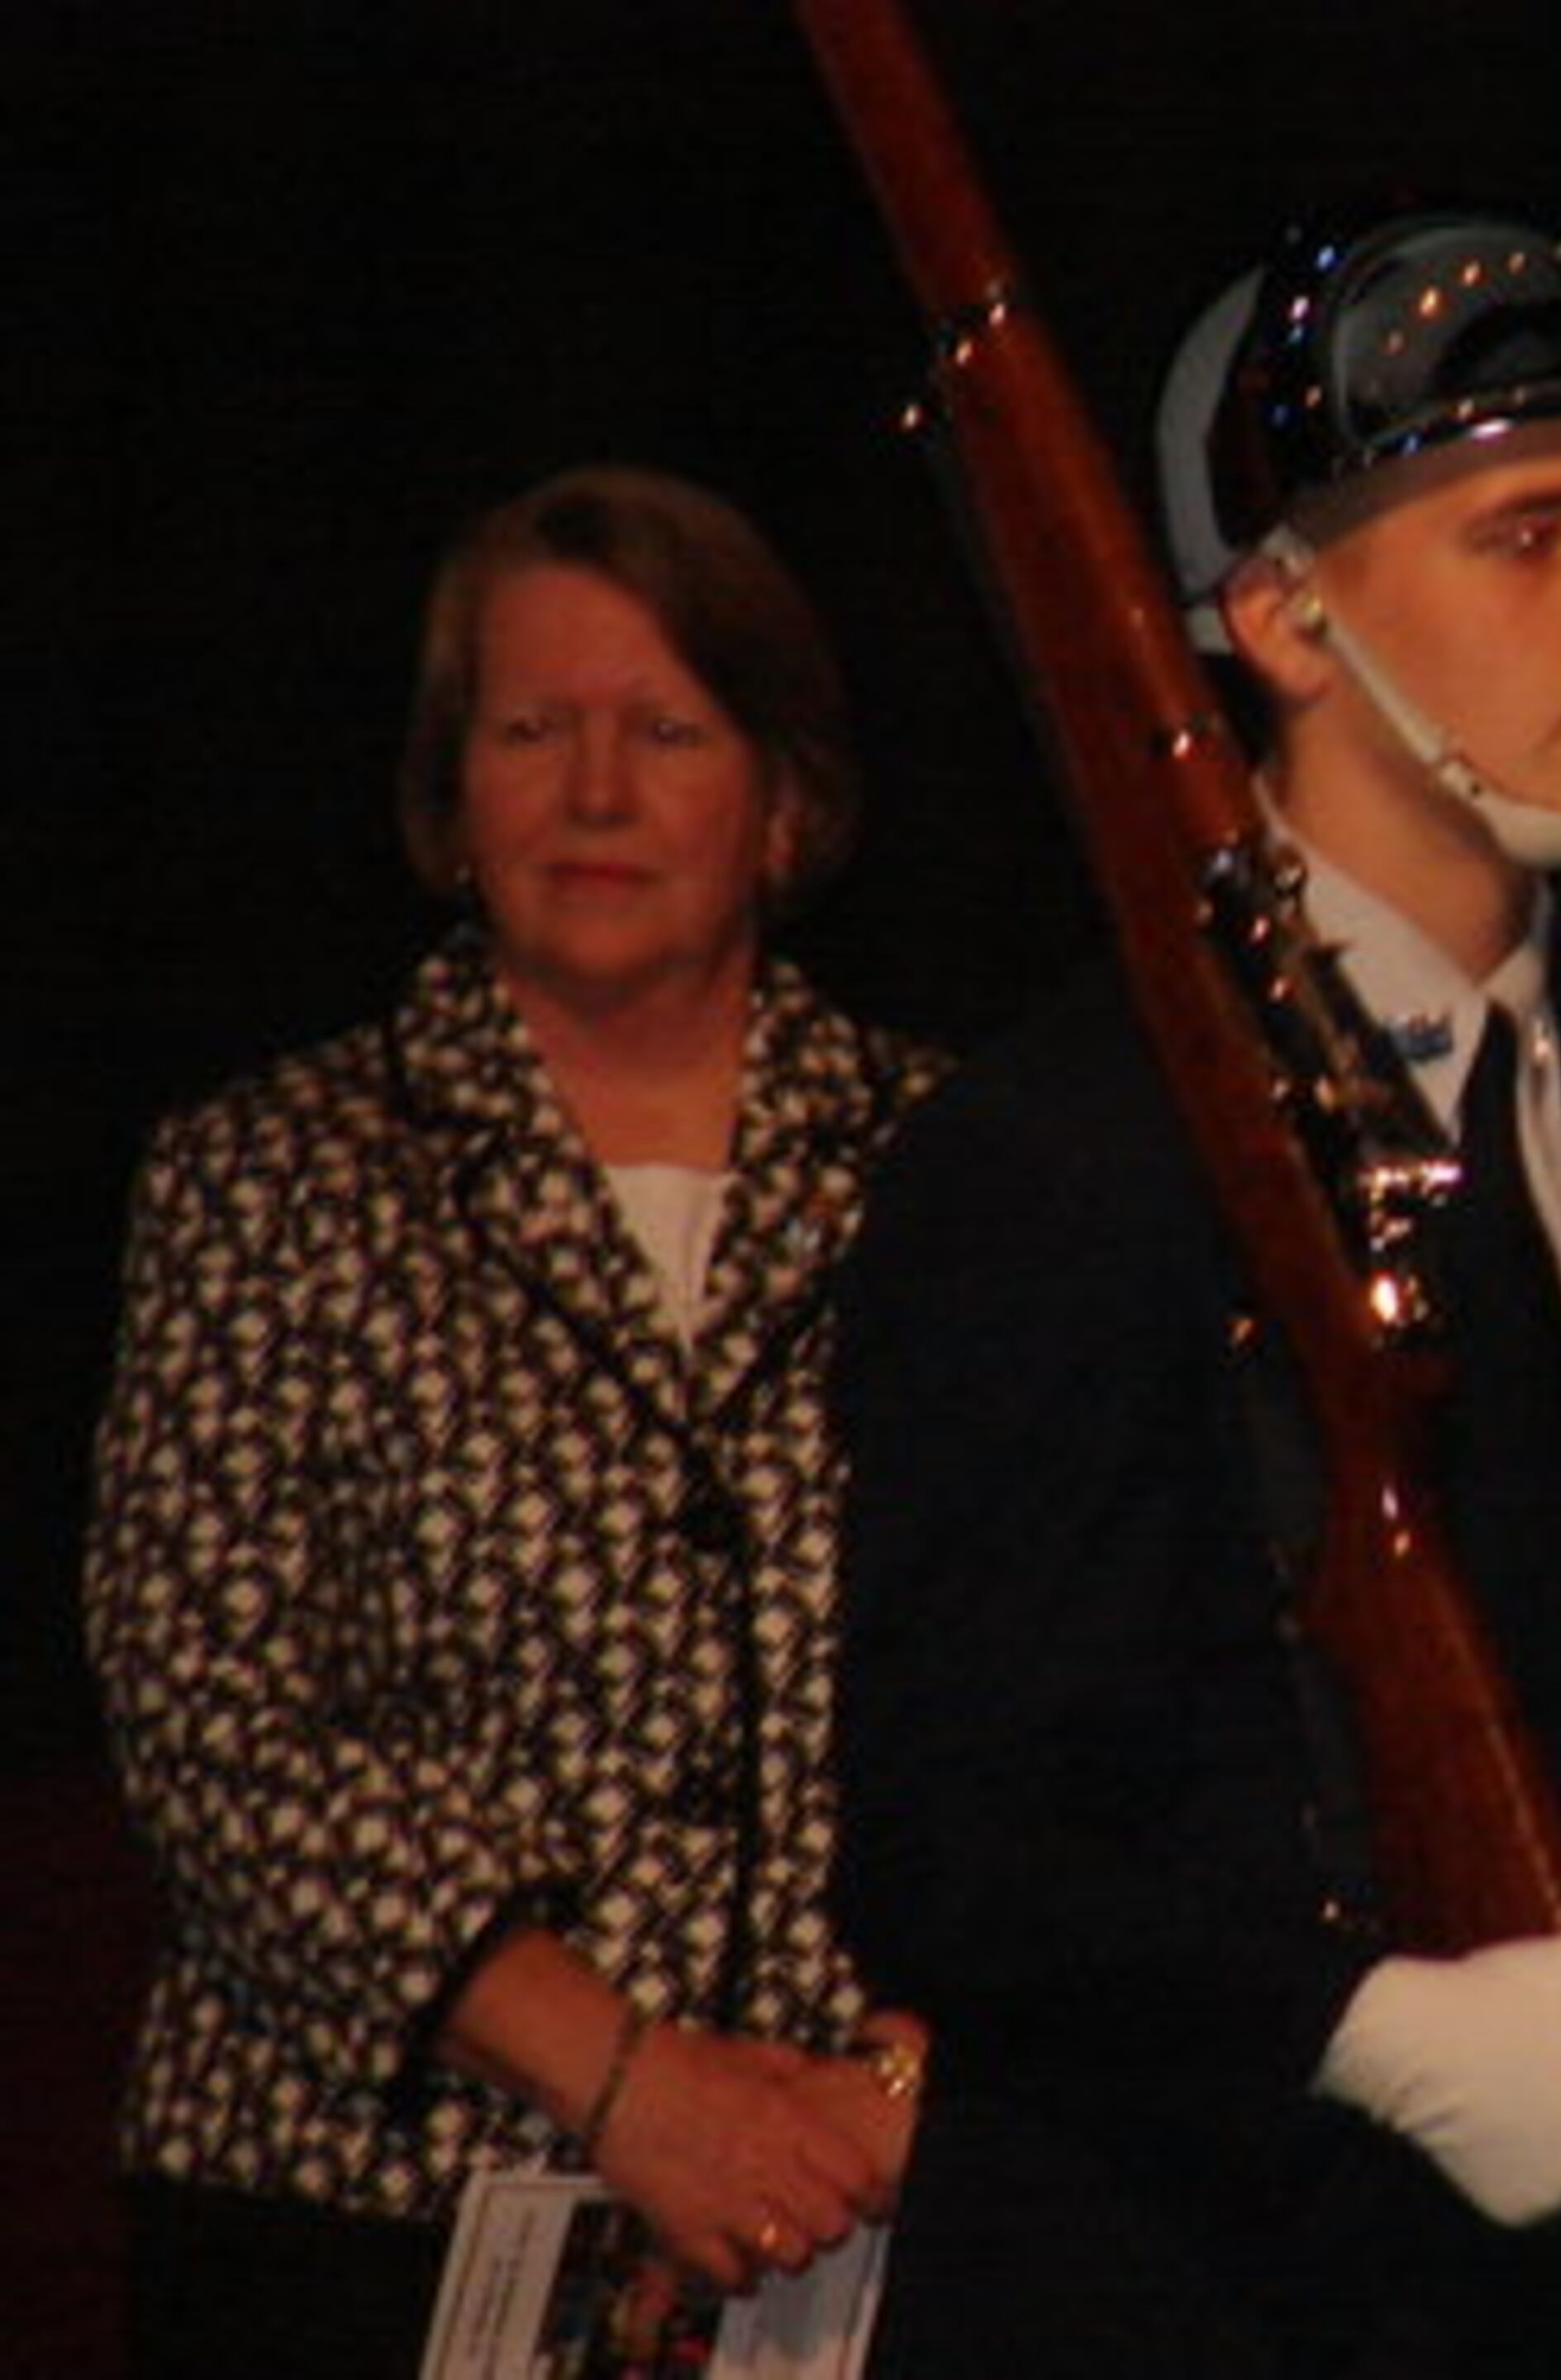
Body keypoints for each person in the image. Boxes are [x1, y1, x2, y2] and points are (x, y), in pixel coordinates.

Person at [830, 207, 1561, 2377]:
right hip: (1195, 2295)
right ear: (1283, 614)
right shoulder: (1065, 1150)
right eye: (1526, 536)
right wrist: (1352, 2024)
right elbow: (949, 1843)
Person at [83, 465, 947, 2377]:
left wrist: (896, 2082)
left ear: (784, 801)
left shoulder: (970, 1174)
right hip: (355, 2220)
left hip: (859, 2214)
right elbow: (210, 1715)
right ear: (450, 795)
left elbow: (1106, 1678)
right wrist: (624, 2078)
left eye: (669, 732)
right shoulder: (273, 1177)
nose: (596, 795)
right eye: (532, 731)